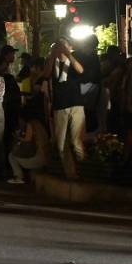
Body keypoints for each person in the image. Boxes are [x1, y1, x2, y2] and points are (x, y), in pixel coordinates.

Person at [44, 38, 86, 179]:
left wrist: (68, 54)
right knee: (61, 143)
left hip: (76, 103)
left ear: (70, 46)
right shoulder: (51, 60)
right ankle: (70, 173)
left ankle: (85, 169)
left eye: (64, 45)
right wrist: (52, 54)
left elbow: (80, 70)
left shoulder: (75, 57)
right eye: (58, 45)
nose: (61, 47)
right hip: (60, 105)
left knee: (76, 141)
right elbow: (46, 74)